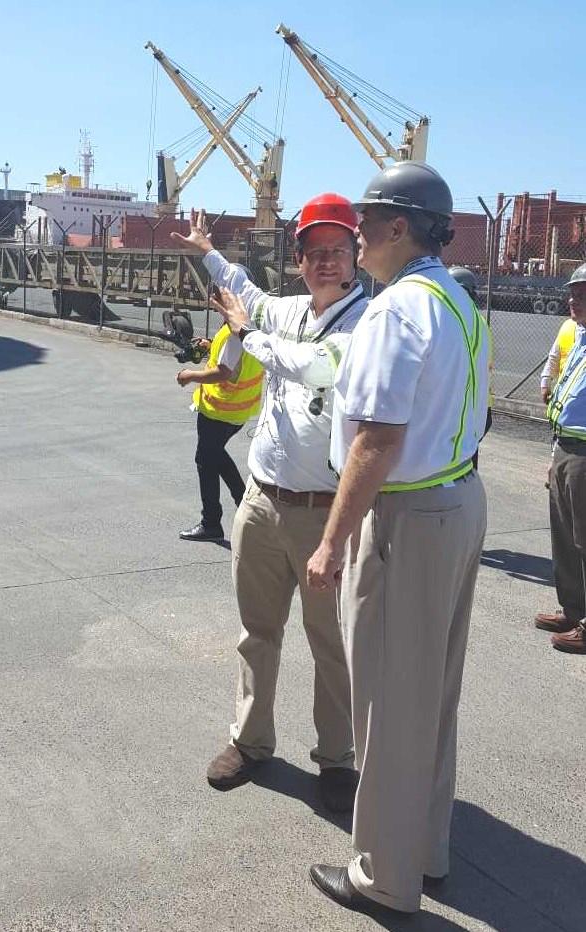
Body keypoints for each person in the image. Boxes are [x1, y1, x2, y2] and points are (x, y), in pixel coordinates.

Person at [306, 161, 489, 915]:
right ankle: (428, 850)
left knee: (385, 701)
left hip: (409, 517)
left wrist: (328, 542)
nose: (354, 234)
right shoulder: (457, 300)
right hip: (458, 501)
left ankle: (382, 875)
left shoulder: (392, 311)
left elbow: (376, 441)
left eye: (363, 221)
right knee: (431, 695)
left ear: (393, 227)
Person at [171, 198, 368, 811]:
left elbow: (312, 368)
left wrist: (249, 332)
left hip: (322, 510)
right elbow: (245, 292)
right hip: (262, 498)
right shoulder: (287, 309)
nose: (327, 261)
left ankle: (336, 758)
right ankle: (251, 741)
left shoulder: (365, 323)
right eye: (315, 251)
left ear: (357, 256)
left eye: (338, 249)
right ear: (301, 260)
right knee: (257, 631)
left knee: (329, 640)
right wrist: (209, 254)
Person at [176, 287, 264, 542]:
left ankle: (211, 522)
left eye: (217, 295)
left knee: (206, 460)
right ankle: (247, 509)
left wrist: (188, 376)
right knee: (216, 457)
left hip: (221, 410)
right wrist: (211, 344)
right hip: (236, 410)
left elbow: (225, 372)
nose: (212, 300)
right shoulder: (246, 326)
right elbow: (234, 359)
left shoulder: (235, 334)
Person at [534, 262, 586, 654]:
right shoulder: (578, 337)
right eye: (573, 293)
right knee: (566, 538)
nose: (573, 300)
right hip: (567, 446)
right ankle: (573, 609)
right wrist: (556, 451)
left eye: (582, 294)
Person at [448, 266, 493, 469]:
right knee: (467, 463)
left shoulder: (459, 320)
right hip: (480, 408)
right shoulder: (478, 320)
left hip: (463, 408)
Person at [540, 316, 578, 404]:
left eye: (581, 301)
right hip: (565, 393)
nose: (572, 302)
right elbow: (554, 356)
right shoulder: (568, 326)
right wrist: (545, 383)